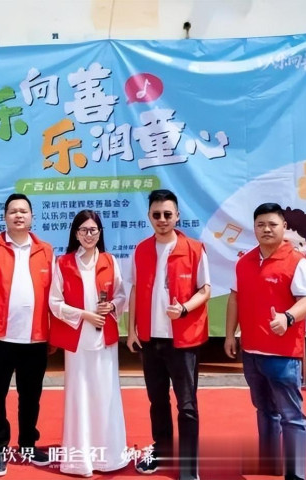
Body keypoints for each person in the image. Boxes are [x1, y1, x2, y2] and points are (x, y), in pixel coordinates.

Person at [224, 202, 306, 480]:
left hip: (283, 354)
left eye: (272, 224)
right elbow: (234, 299)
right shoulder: (244, 262)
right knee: (264, 410)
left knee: (291, 416)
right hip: (251, 351)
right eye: (260, 224)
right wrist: (229, 335)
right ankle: (269, 463)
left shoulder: (298, 262)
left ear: (284, 227)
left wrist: (288, 317)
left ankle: (296, 474)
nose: (266, 229)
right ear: (254, 228)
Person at [127, 189, 211, 480]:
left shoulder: (194, 249)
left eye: (167, 214)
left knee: (186, 405)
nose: (162, 219)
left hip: (183, 340)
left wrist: (185, 309)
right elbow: (135, 289)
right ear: (149, 216)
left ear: (177, 216)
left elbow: (205, 290)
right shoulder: (141, 250)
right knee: (157, 400)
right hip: (150, 339)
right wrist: (131, 330)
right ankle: (161, 452)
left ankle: (189, 464)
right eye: (156, 215)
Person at [0, 193, 54, 477]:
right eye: (13, 211)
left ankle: (28, 443)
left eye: (23, 211)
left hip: (34, 338)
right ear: (5, 217)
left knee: (31, 396)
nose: (18, 215)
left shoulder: (46, 251)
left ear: (32, 217)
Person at [49, 210, 129, 477]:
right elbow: (55, 303)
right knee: (79, 395)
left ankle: (110, 457)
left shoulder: (109, 260)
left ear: (100, 232)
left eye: (93, 230)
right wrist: (84, 314)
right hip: (77, 339)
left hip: (105, 339)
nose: (88, 235)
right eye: (83, 230)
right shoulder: (63, 263)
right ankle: (79, 460)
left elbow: (122, 295)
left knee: (106, 394)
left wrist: (112, 306)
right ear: (75, 233)